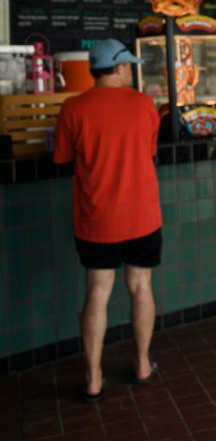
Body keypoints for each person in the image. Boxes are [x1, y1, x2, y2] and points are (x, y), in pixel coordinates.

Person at [53, 39, 162, 402]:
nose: (130, 70)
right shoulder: (144, 104)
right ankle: (143, 364)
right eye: (128, 65)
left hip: (96, 221)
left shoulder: (72, 108)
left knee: (97, 294)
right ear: (117, 69)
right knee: (141, 287)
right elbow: (148, 151)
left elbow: (62, 158)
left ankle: (93, 380)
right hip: (142, 217)